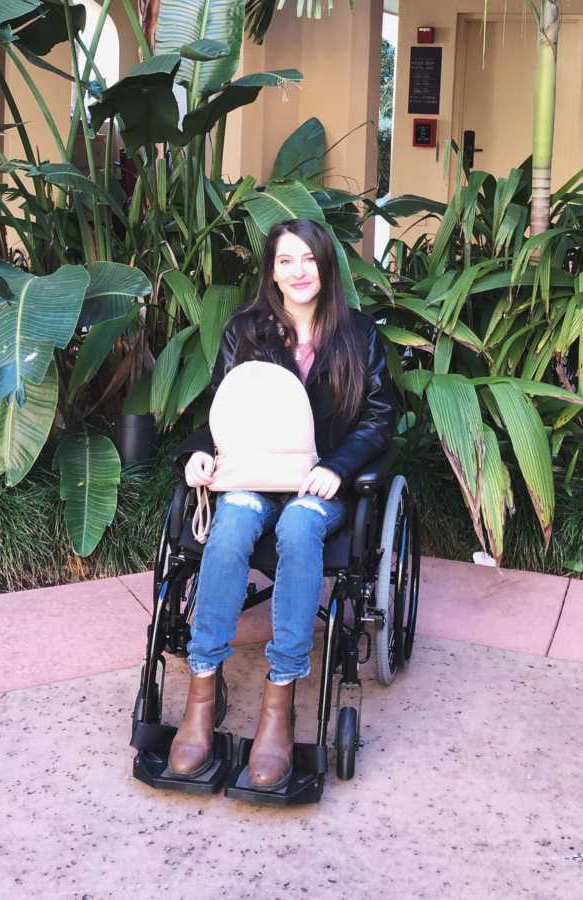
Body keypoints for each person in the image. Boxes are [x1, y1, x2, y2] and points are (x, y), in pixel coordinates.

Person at [168, 218, 396, 790]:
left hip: (317, 485)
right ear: (271, 269)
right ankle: (202, 689)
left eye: (309, 260)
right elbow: (221, 412)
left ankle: (280, 696)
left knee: (298, 528)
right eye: (286, 260)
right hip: (249, 475)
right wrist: (198, 455)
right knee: (231, 524)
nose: (298, 272)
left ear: (327, 266)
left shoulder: (359, 334)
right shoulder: (246, 331)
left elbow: (378, 417)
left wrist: (335, 468)